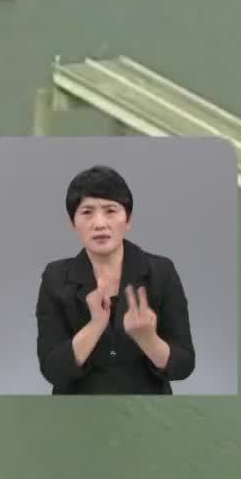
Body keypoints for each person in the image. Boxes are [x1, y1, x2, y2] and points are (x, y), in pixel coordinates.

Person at [34, 165, 196, 394]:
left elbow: (184, 365)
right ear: (73, 223)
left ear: (128, 220)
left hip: (144, 415)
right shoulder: (56, 277)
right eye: (87, 212)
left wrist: (148, 339)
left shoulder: (161, 272)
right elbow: (52, 369)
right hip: (74, 416)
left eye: (111, 210)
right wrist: (95, 325)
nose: (100, 223)